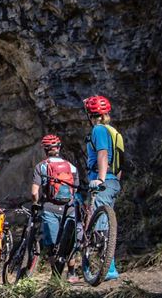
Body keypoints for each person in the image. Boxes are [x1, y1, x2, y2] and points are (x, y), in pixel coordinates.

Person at [82, 95, 124, 281]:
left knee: (100, 225)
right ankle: (108, 266)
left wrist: (100, 179)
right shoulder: (114, 131)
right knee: (106, 220)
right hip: (114, 180)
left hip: (102, 179)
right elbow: (120, 161)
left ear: (90, 115)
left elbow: (103, 154)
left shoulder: (98, 130)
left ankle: (108, 268)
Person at [30, 134, 79, 279]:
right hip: (69, 208)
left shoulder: (41, 167)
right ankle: (72, 273)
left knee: (51, 243)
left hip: (50, 207)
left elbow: (34, 192)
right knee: (69, 240)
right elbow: (75, 189)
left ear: (45, 149)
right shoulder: (71, 167)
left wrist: (35, 203)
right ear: (59, 148)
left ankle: (56, 275)